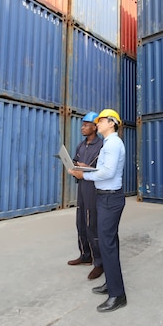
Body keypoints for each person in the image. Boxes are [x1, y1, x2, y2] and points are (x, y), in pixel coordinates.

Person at [68, 109, 127, 313]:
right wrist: (85, 168)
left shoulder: (112, 143)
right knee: (109, 242)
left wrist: (83, 176)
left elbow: (108, 173)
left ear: (111, 123)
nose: (97, 123)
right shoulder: (110, 143)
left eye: (100, 120)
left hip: (110, 198)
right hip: (106, 197)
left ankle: (117, 295)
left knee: (107, 243)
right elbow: (103, 170)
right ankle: (111, 283)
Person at [67, 111, 104, 281]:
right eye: (82, 124)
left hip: (93, 188)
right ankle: (85, 255)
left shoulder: (101, 146)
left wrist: (84, 167)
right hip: (82, 186)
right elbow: (75, 160)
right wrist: (73, 166)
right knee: (80, 221)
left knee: (91, 224)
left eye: (86, 125)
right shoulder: (81, 146)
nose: (82, 127)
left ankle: (99, 262)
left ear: (95, 127)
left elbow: (102, 170)